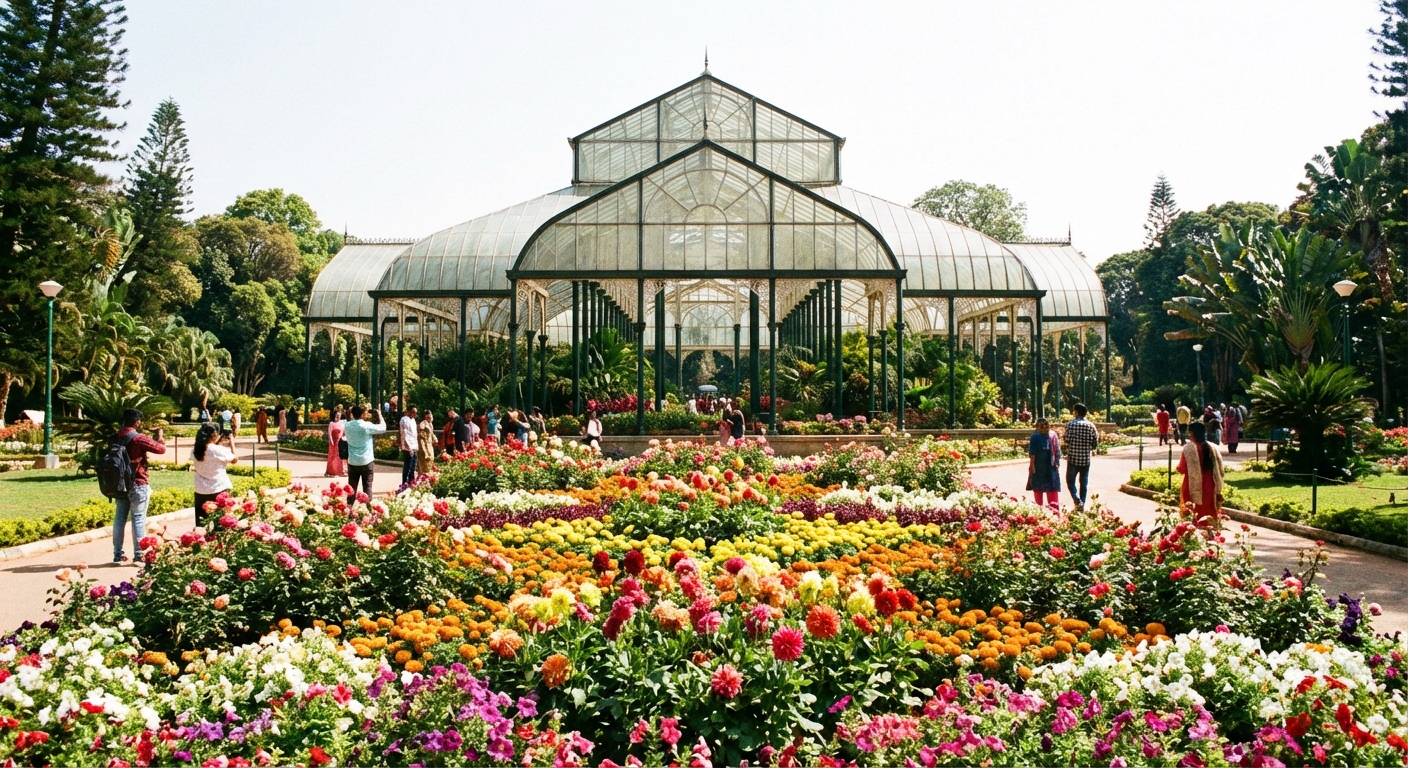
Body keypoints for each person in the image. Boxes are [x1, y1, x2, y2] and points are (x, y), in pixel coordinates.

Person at [112, 408, 166, 563]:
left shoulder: (115, 437)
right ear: (137, 422)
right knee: (138, 519)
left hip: (120, 485)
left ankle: (117, 555)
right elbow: (161, 449)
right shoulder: (138, 438)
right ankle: (139, 554)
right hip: (138, 483)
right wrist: (160, 435)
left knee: (119, 519)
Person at [1177, 421, 1225, 528]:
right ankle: (1211, 531)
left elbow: (1182, 469)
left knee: (1192, 511)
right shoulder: (1213, 447)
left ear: (1192, 433)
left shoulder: (1188, 448)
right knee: (1209, 510)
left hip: (1192, 485)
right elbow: (1221, 470)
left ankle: (1193, 532)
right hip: (1210, 484)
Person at [192, 422, 237, 528]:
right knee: (221, 523)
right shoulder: (217, 450)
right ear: (214, 434)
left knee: (201, 524)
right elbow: (234, 459)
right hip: (219, 488)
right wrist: (232, 442)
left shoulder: (195, 450)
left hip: (201, 490)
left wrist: (219, 441)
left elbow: (209, 450)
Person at [344, 405, 385, 505]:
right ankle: (367, 508)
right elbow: (383, 428)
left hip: (353, 461)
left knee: (351, 488)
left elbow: (349, 421)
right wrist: (379, 414)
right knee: (367, 487)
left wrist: (349, 414)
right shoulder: (366, 426)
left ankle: (349, 507)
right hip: (366, 461)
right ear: (362, 414)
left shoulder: (347, 425)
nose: (367, 414)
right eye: (366, 412)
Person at [1062, 403, 1099, 511]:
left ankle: (1076, 498)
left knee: (1070, 482)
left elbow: (1066, 440)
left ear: (1076, 412)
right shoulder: (1091, 426)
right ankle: (1082, 503)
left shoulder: (1070, 424)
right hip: (1085, 459)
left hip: (1073, 458)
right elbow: (1095, 443)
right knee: (1083, 484)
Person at [1027, 416, 1062, 510]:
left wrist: (1057, 464)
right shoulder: (1035, 436)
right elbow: (1032, 454)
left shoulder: (1051, 435)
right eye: (1041, 425)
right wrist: (1032, 467)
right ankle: (1041, 511)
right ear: (1037, 427)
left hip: (1049, 466)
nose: (1044, 427)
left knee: (1051, 489)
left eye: (1045, 425)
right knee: (1040, 489)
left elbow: (1057, 451)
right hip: (1039, 467)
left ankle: (1053, 510)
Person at [398, 406, 419, 486]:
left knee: (413, 467)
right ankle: (404, 484)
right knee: (408, 466)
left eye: (415, 413)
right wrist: (407, 447)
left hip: (414, 446)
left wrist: (416, 446)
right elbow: (404, 434)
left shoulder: (413, 420)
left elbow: (414, 434)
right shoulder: (404, 419)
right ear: (408, 411)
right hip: (408, 447)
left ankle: (411, 483)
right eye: (413, 412)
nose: (414, 414)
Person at [326, 409, 346, 477]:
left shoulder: (342, 423)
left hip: (340, 441)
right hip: (333, 442)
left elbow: (343, 432)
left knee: (340, 456)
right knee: (333, 457)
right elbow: (329, 433)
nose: (338, 417)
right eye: (337, 415)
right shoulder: (331, 423)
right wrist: (331, 442)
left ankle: (340, 471)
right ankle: (332, 471)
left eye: (339, 415)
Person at [418, 409, 436, 474]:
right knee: (424, 465)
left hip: (429, 445)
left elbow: (431, 433)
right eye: (428, 415)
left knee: (430, 462)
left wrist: (435, 439)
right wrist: (425, 451)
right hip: (424, 447)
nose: (430, 417)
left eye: (431, 415)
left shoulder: (430, 424)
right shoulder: (423, 425)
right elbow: (421, 439)